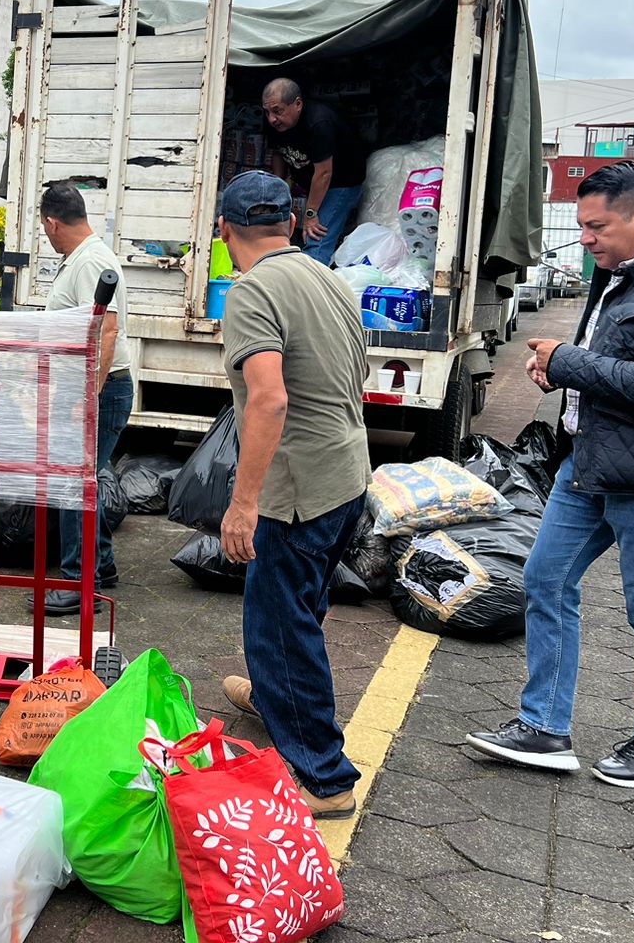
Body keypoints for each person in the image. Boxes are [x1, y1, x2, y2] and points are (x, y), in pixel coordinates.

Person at [467, 161, 634, 788]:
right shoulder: (623, 270)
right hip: (588, 465)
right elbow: (605, 362)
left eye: (597, 226)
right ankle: (544, 729)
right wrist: (560, 372)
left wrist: (568, 362)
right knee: (546, 580)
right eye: (583, 226)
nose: (585, 238)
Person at [214, 170, 371, 819]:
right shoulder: (330, 279)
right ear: (291, 223)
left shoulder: (253, 292)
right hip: (347, 475)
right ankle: (275, 696)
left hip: (298, 489)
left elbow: (270, 398)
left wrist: (243, 501)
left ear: (225, 232)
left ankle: (325, 778)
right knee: (300, 608)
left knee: (281, 624)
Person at [38, 181, 133, 615]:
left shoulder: (92, 260)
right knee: (84, 479)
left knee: (73, 483)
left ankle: (81, 582)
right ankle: (104, 565)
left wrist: (86, 395)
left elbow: (106, 331)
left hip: (100, 389)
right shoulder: (83, 258)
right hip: (91, 387)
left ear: (52, 222)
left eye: (45, 229)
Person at [262, 77, 365, 266]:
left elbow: (324, 173)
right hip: (310, 181)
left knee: (315, 238)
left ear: (298, 104)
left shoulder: (319, 123)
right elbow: (277, 152)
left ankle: (307, 287)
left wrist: (311, 214)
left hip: (341, 183)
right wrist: (278, 187)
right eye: (267, 112)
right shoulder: (275, 121)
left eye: (277, 111)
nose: (272, 119)